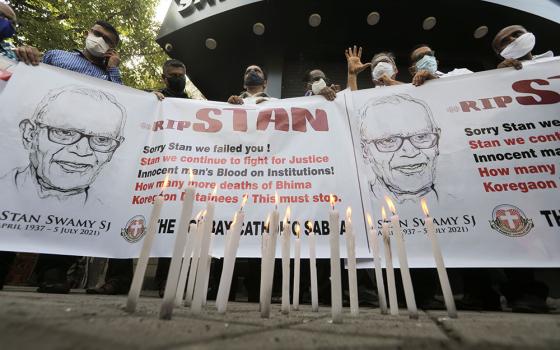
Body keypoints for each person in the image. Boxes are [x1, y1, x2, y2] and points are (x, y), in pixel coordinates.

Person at [88, 59, 191, 296]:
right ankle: (119, 278)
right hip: (145, 169)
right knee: (126, 218)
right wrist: (146, 101)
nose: (178, 78)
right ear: (164, 77)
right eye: (173, 74)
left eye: (181, 74)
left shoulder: (194, 106)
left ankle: (168, 281)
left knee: (173, 225)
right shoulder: (149, 98)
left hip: (175, 174)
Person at [358, 94, 441, 204]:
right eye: (389, 140)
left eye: (421, 136)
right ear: (366, 151)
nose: (410, 151)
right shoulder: (357, 205)